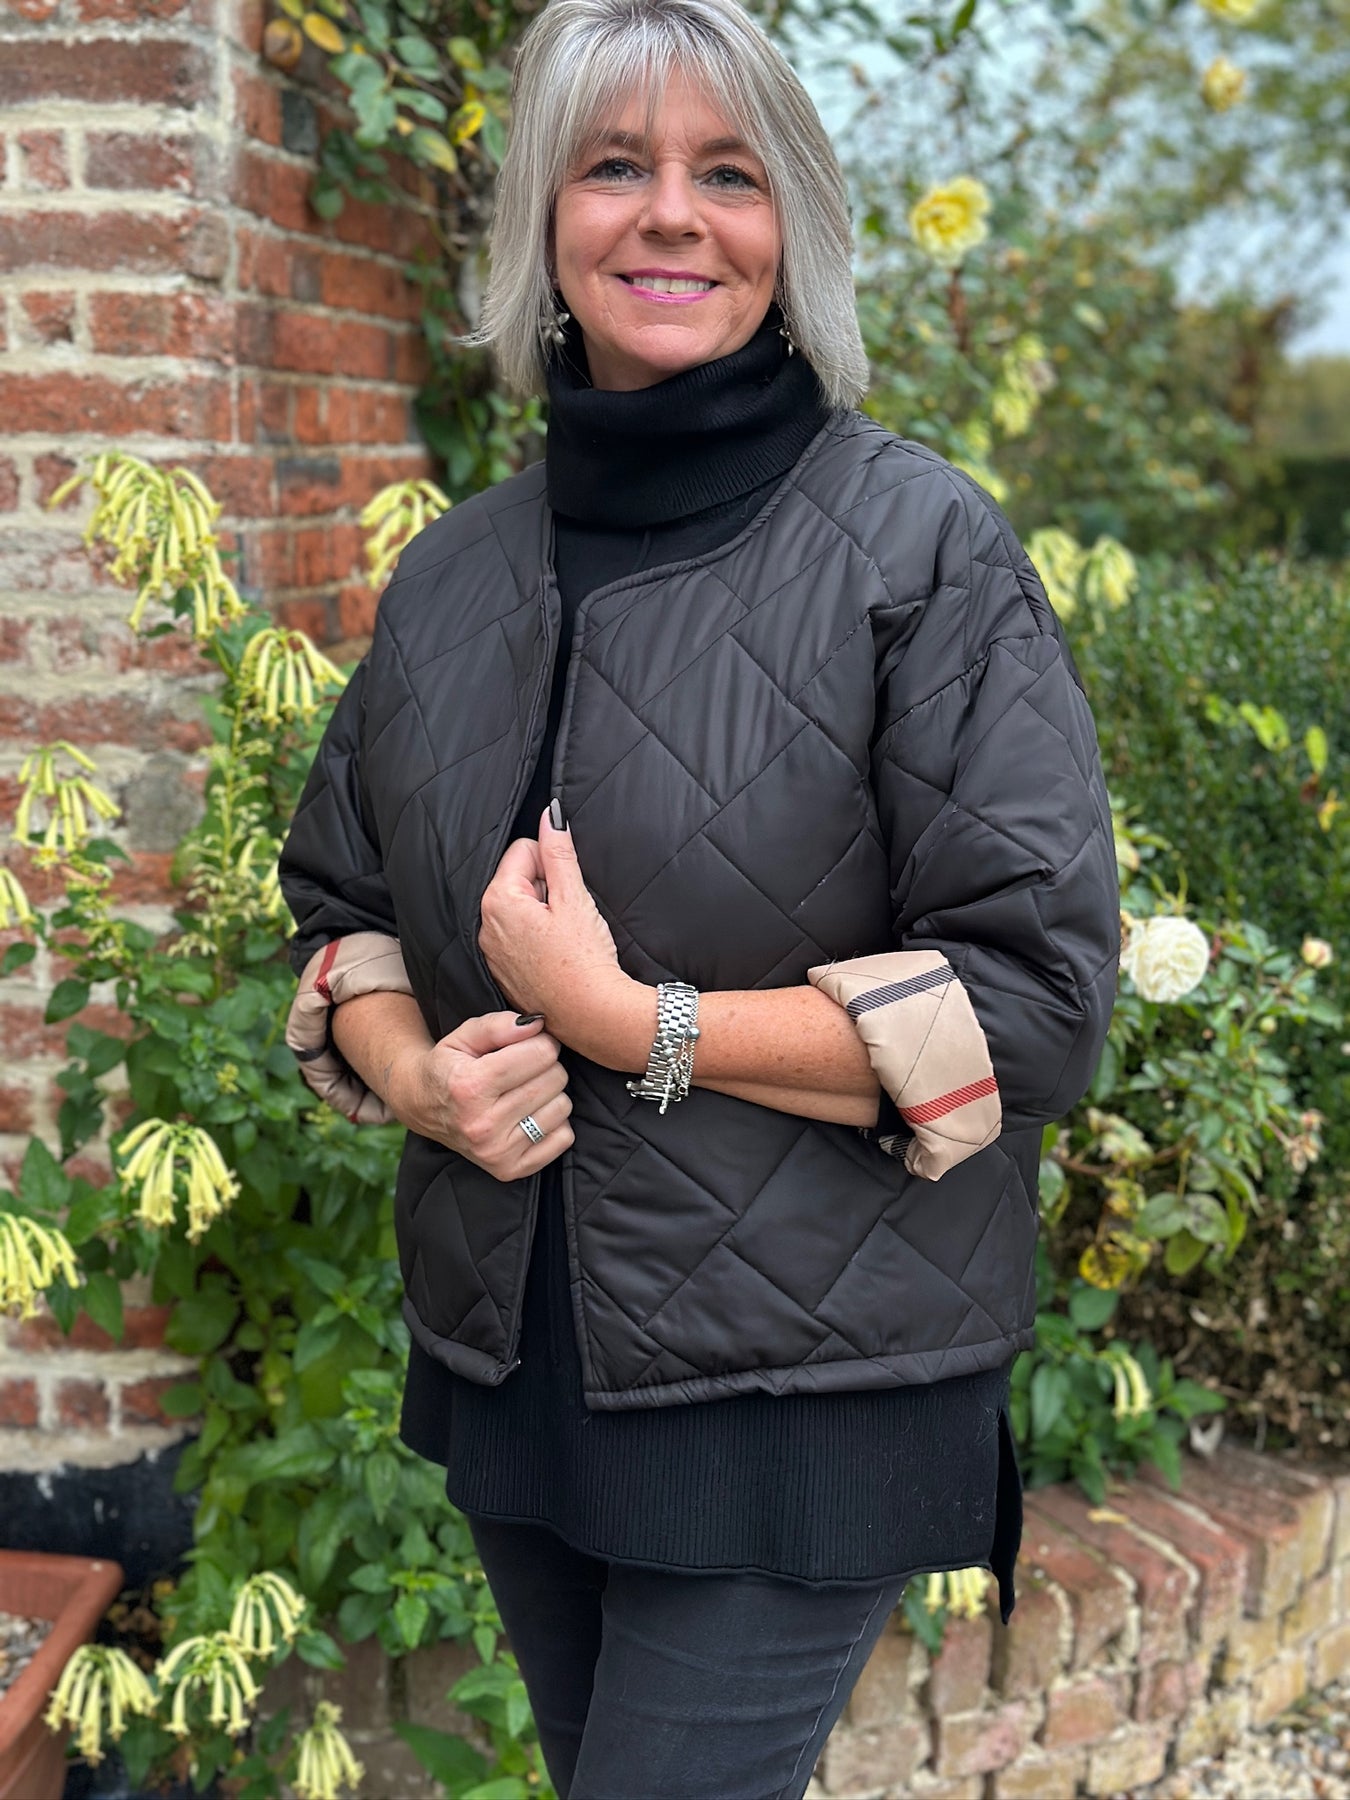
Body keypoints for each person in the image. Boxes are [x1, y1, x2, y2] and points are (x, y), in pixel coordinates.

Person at [278, 0, 1120, 1791]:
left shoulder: (918, 549)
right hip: (520, 1369)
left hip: (805, 1388)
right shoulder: (453, 578)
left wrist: (626, 1023)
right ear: (545, 218)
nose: (670, 213)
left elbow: (1032, 1010)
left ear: (788, 227)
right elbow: (342, 909)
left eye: (726, 175)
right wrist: (416, 1074)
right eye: (614, 165)